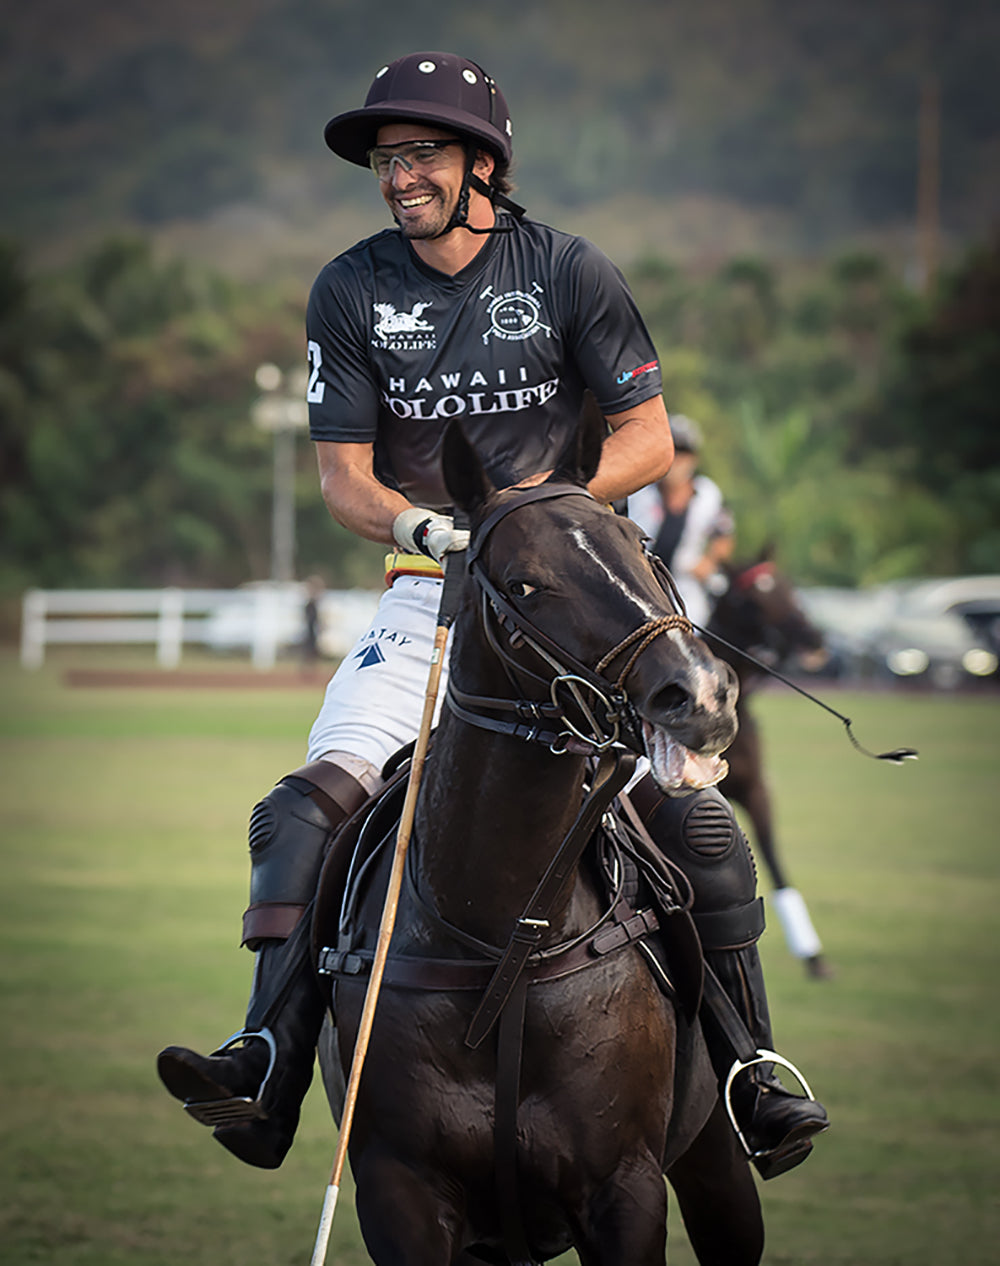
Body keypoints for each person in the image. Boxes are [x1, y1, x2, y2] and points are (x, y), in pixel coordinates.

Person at [157, 50, 827, 1180]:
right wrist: (422, 528)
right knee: (303, 808)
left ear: (482, 164)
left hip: (574, 604)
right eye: (385, 158)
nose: (396, 175)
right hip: (430, 596)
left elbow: (647, 439)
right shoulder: (352, 286)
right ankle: (267, 1053)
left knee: (695, 817)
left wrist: (531, 519)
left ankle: (753, 1067)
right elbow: (344, 480)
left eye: (419, 153)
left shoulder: (567, 271)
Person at [628, 413, 735, 627]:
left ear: (694, 459)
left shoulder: (708, 495)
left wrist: (709, 562)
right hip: (639, 583)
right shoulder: (636, 491)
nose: (676, 460)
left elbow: (724, 535)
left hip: (685, 587)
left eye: (683, 453)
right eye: (672, 450)